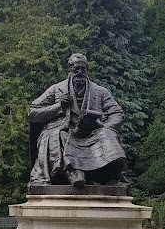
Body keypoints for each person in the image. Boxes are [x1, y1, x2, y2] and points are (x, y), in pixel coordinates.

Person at [29, 53, 128, 188]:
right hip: (66, 131)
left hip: (92, 133)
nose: (80, 73)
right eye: (76, 69)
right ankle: (74, 173)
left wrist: (105, 126)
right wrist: (58, 106)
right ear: (70, 69)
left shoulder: (100, 91)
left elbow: (116, 112)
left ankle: (109, 175)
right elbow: (33, 113)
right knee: (59, 136)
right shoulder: (56, 89)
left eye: (83, 69)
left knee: (107, 134)